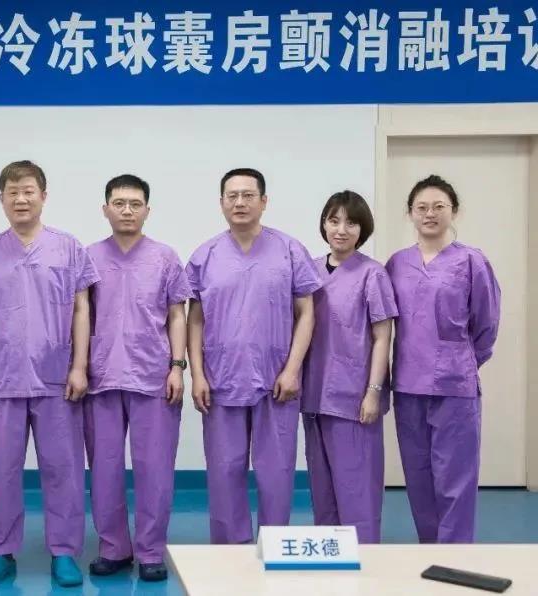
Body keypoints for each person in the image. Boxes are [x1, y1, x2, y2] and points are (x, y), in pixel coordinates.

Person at [0, 160, 99, 587]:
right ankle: (1, 550)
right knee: (2, 470)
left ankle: (64, 551)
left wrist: (79, 366)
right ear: (1, 198)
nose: (21, 199)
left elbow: (82, 309)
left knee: (64, 469)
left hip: (57, 379)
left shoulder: (68, 248)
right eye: (12, 192)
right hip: (3, 378)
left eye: (28, 191)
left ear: (44, 195)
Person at [186, 168, 321, 544]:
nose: (240, 203)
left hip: (276, 381)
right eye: (232, 196)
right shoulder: (205, 255)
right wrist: (197, 374)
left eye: (248, 195)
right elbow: (194, 318)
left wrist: (293, 369)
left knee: (276, 472)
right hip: (221, 379)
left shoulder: (289, 250)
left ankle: (273, 547)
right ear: (221, 203)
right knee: (224, 471)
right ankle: (230, 551)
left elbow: (307, 312)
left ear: (264, 201)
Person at [83, 174, 191, 582]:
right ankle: (113, 548)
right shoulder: (89, 257)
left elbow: (177, 314)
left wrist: (177, 366)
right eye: (119, 203)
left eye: (135, 204)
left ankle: (150, 551)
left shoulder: (164, 257)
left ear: (147, 210)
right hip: (102, 377)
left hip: (153, 378)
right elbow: (79, 315)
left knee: (155, 469)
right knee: (104, 469)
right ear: (105, 209)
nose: (127, 210)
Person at [387, 175, 500, 543]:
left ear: (455, 212)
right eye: (421, 207)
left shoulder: (472, 261)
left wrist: (459, 361)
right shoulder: (397, 264)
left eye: (439, 206)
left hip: (455, 386)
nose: (430, 214)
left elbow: (486, 325)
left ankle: (455, 554)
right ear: (410, 213)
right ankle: (429, 549)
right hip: (408, 385)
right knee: (418, 476)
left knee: (455, 477)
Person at [302, 191, 397, 544]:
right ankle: (331, 555)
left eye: (351, 223)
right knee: (322, 487)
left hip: (354, 397)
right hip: (314, 395)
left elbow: (382, 336)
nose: (341, 230)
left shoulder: (373, 274)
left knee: (357, 486)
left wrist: (373, 392)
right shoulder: (309, 270)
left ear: (363, 229)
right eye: (334, 220)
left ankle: (365, 557)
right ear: (324, 224)